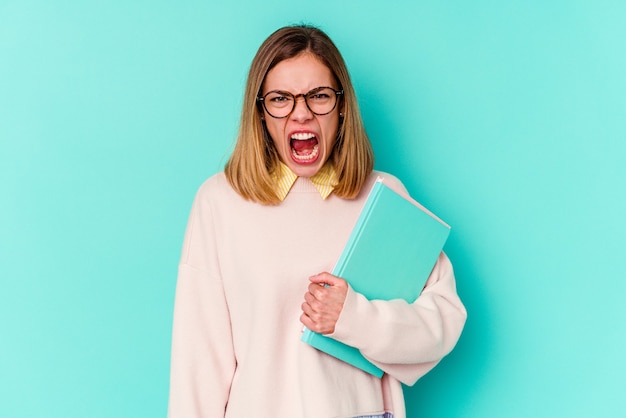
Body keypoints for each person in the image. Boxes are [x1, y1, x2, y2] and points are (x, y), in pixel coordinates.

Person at [168, 24, 466, 418]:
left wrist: (355, 317)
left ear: (342, 105)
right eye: (280, 99)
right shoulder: (221, 202)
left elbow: (443, 320)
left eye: (319, 96)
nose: (302, 113)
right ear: (260, 111)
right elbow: (198, 364)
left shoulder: (383, 196)